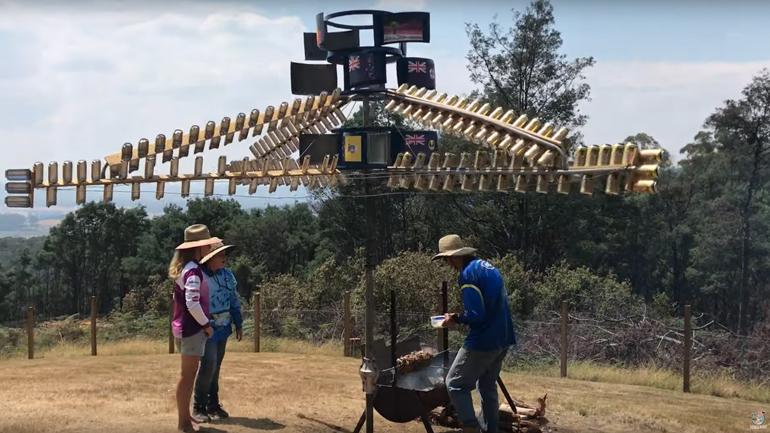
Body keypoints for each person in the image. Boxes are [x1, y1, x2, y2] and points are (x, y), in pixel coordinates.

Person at [431, 234, 516, 433]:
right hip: (503, 337)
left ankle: (471, 428)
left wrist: (455, 319)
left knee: (454, 384)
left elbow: (477, 314)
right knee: (487, 387)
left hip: (484, 340)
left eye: (445, 259)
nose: (447, 263)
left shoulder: (467, 274)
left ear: (452, 257)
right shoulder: (487, 267)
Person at [169, 224, 221, 432]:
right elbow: (192, 303)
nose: (210, 250)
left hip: (185, 328)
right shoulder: (193, 271)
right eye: (207, 246)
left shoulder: (186, 269)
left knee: (189, 374)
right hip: (191, 330)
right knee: (188, 374)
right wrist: (207, 325)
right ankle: (183, 423)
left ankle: (185, 416)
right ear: (197, 249)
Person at [192, 240, 243, 422]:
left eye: (225, 255)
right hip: (207, 330)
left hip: (224, 328)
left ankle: (213, 404)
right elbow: (193, 303)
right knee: (208, 366)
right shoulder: (199, 277)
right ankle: (199, 406)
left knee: (216, 368)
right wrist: (203, 325)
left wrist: (238, 323)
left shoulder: (228, 276)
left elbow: (233, 300)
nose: (224, 258)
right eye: (220, 255)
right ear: (210, 258)